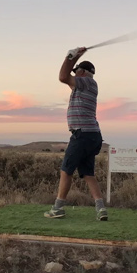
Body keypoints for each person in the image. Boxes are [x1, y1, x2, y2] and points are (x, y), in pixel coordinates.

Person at [45, 47, 108, 221]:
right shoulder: (86, 87)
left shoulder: (87, 82)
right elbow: (67, 77)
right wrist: (74, 58)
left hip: (82, 135)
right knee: (88, 174)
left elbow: (63, 77)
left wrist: (70, 56)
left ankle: (58, 208)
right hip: (92, 136)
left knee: (66, 171)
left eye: (77, 71)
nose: (75, 74)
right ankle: (101, 209)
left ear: (82, 72)